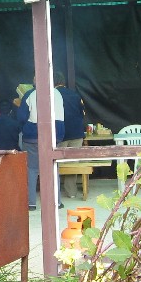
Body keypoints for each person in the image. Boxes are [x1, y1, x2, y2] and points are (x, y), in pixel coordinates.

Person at [17, 78, 65, 210]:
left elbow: (21, 117)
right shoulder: (58, 93)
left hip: (33, 137)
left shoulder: (30, 95)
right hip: (55, 136)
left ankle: (31, 203)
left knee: (32, 170)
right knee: (53, 168)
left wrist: (25, 128)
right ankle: (57, 202)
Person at [55, 71, 86, 199]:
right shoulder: (76, 95)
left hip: (60, 133)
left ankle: (55, 192)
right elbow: (82, 113)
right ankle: (71, 192)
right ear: (63, 82)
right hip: (77, 133)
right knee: (73, 163)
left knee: (56, 162)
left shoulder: (52, 96)